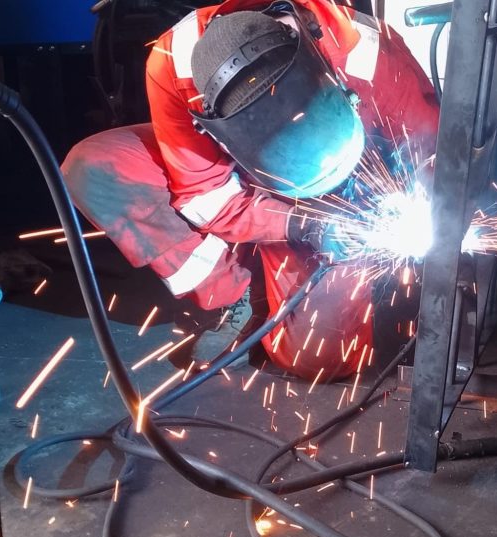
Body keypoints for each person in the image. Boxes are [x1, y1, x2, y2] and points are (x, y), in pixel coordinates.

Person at [63, 0, 438, 381]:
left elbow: (434, 158)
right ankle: (234, 293)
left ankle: (287, 293)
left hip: (340, 199)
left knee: (318, 360)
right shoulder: (174, 62)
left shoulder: (365, 52)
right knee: (96, 167)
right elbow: (204, 196)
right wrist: (301, 226)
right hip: (249, 183)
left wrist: (397, 200)